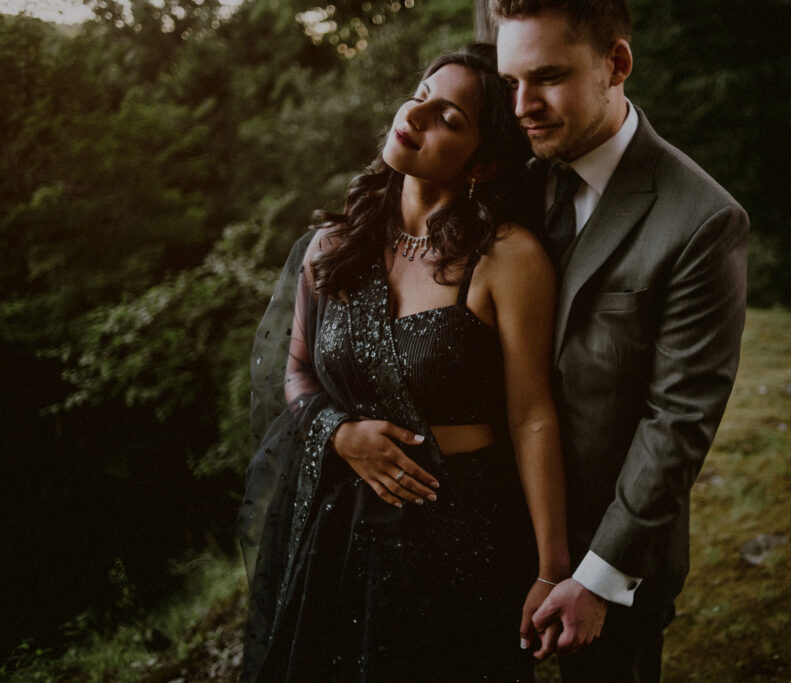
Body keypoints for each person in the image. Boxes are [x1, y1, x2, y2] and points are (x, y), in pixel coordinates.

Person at [238, 43, 570, 681]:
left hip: (457, 535)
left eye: (449, 118)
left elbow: (532, 417)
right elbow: (296, 372)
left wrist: (549, 569)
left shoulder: (506, 258)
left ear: (484, 163)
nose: (415, 116)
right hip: (336, 529)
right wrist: (341, 434)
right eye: (421, 94)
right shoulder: (332, 248)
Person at [489, 1, 750, 680]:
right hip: (489, 535)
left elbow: (680, 418)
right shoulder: (512, 180)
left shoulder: (701, 219)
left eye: (546, 77)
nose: (523, 106)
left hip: (608, 560)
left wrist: (599, 576)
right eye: (510, 83)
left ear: (617, 63)